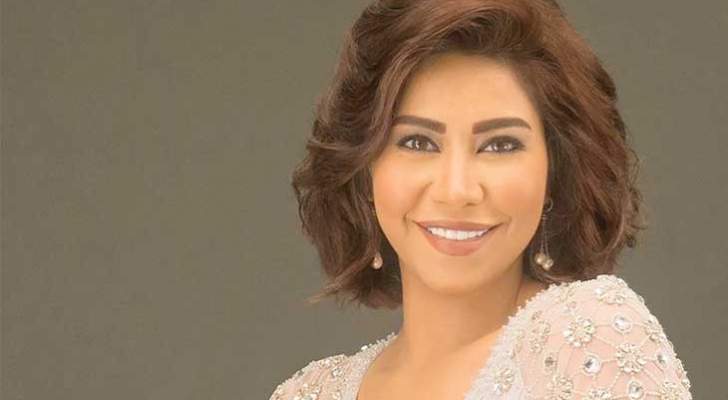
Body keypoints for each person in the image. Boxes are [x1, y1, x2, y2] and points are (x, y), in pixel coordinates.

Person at [270, 0, 692, 399]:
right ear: (364, 170)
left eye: (500, 145)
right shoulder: (309, 392)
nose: (457, 191)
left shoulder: (588, 341)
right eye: (417, 142)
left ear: (555, 171)